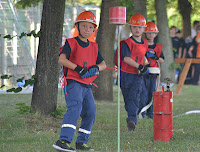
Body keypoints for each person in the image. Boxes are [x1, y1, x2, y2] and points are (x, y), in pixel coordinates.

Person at [53, 11, 107, 152]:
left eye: (90, 27)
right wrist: (78, 69)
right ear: (77, 26)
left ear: (94, 29)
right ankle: (63, 141)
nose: (87, 30)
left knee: (91, 112)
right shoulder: (71, 43)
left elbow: (104, 65)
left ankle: (81, 143)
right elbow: (62, 59)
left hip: (86, 85)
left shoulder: (94, 46)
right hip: (73, 82)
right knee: (75, 108)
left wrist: (96, 68)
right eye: (84, 26)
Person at [119, 13, 149, 131]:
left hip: (137, 75)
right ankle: (131, 115)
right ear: (130, 28)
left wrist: (146, 65)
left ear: (144, 29)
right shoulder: (127, 43)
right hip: (126, 75)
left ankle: (132, 120)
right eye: (135, 27)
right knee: (128, 99)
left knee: (134, 97)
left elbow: (142, 56)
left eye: (140, 27)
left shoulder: (145, 43)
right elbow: (126, 58)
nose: (137, 29)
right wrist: (139, 66)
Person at [139, 22, 164, 119]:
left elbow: (162, 60)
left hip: (154, 73)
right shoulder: (142, 45)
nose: (150, 35)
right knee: (143, 93)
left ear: (156, 34)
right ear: (145, 34)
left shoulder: (158, 47)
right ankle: (142, 113)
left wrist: (155, 56)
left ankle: (151, 113)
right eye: (148, 33)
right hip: (144, 72)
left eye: (152, 33)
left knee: (152, 93)